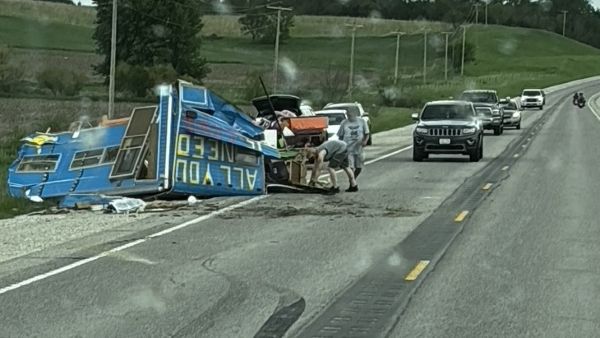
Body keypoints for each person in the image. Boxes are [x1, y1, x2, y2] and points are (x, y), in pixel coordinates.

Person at [336, 110, 370, 178]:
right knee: (350, 167)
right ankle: (352, 182)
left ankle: (353, 179)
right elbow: (340, 135)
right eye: (348, 115)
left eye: (351, 114)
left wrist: (365, 141)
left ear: (355, 114)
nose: (349, 116)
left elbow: (367, 133)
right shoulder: (344, 123)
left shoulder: (362, 121)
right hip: (348, 148)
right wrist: (340, 146)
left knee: (359, 167)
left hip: (359, 148)